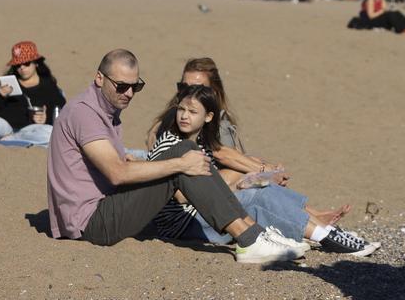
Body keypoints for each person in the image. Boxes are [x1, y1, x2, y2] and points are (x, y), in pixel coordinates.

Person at [45, 49, 307, 263]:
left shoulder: (103, 111)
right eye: (121, 86)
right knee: (184, 153)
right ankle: (250, 240)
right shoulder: (85, 113)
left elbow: (107, 168)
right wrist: (179, 164)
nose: (127, 93)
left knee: (186, 153)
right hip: (90, 222)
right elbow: (116, 173)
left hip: (104, 207)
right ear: (99, 78)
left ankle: (254, 234)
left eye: (135, 87)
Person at [148, 83, 379, 255]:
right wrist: (224, 187)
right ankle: (324, 235)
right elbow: (173, 193)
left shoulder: (202, 143)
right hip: (182, 223)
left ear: (208, 117)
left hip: (205, 214)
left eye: (192, 112)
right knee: (255, 197)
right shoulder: (170, 142)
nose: (184, 116)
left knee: (263, 188)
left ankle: (323, 230)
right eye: (182, 110)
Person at [0, 41, 66, 145]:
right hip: (5, 127)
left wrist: (45, 118)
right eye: (18, 65)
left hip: (31, 130)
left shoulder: (48, 86)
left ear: (36, 63)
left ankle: (12, 139)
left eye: (26, 63)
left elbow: (61, 112)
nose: (22, 67)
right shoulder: (7, 83)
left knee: (49, 132)